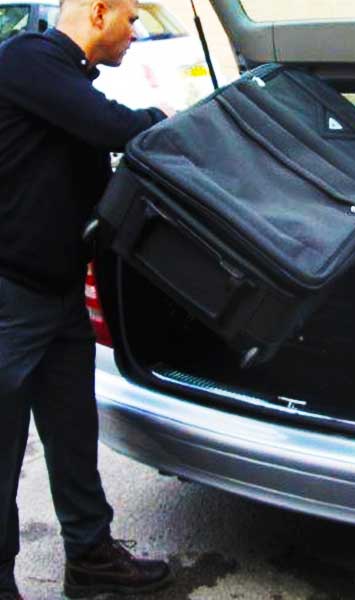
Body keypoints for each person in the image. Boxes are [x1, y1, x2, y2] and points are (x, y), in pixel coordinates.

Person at [0, 0, 174, 597]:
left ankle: (91, 558)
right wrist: (169, 120)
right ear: (99, 13)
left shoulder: (66, 81)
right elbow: (114, 127)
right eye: (131, 18)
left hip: (59, 296)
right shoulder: (28, 60)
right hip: (10, 299)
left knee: (73, 434)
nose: (136, 31)